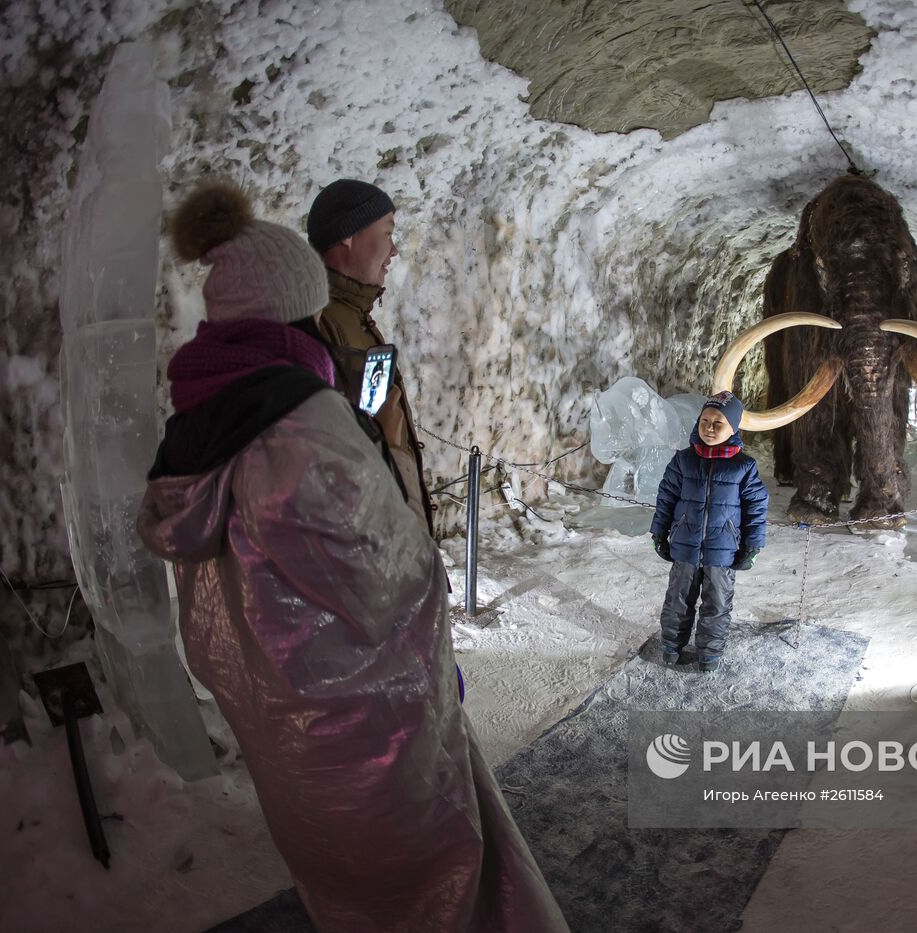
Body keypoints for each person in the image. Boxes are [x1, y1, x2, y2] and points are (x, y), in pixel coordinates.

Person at [136, 179, 568, 933]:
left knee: (344, 880)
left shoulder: (204, 419)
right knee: (425, 876)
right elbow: (388, 576)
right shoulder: (301, 425)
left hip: (289, 719)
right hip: (360, 716)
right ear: (296, 305)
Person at [305, 178, 435, 534]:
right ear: (348, 236)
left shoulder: (350, 316)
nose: (393, 251)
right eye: (387, 233)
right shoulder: (320, 323)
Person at [650, 391, 769, 672]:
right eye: (705, 420)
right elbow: (666, 498)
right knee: (677, 601)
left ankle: (709, 654)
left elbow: (756, 509)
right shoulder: (683, 461)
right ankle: (671, 646)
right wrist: (659, 533)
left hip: (723, 550)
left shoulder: (744, 467)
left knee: (717, 604)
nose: (710, 428)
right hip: (685, 547)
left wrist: (752, 545)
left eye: (719, 423)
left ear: (733, 428)